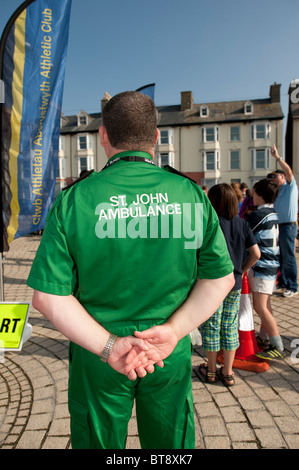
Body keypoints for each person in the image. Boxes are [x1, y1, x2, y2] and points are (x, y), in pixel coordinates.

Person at [27, 91, 234, 449]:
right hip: (166, 348)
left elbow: (48, 296)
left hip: (99, 350)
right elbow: (220, 279)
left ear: (103, 136)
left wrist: (110, 347)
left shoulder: (75, 199)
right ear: (156, 138)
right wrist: (172, 331)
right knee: (170, 445)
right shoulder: (191, 194)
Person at [197, 184, 260, 386]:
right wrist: (242, 269)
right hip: (234, 283)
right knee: (230, 326)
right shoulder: (242, 224)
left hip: (212, 283)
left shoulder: (209, 223)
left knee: (212, 326)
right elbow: (256, 254)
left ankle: (212, 370)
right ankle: (229, 372)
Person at [247, 178, 284, 360]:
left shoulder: (257, 216)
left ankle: (277, 346)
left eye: (254, 192)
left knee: (260, 307)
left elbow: (244, 235)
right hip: (272, 265)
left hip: (261, 267)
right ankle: (264, 338)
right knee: (266, 305)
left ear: (259, 195)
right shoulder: (273, 213)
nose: (252, 195)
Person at [267, 144, 298, 297]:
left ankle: (293, 286)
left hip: (288, 227)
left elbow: (289, 171)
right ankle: (285, 282)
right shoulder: (278, 192)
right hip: (280, 226)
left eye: (275, 176)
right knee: (282, 256)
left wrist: (277, 157)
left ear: (282, 177)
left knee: (289, 255)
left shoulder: (290, 186)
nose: (273, 178)